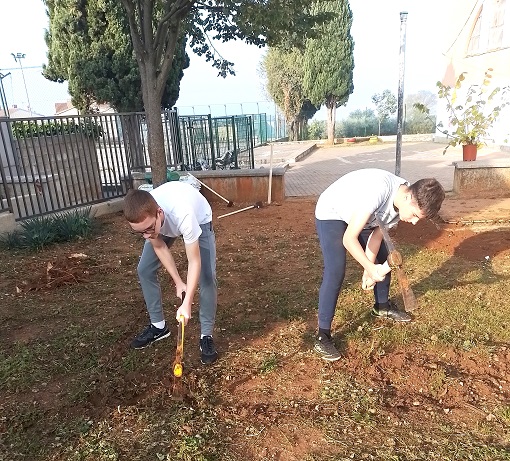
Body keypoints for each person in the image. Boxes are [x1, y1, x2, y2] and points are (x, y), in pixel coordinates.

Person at [314, 168, 445, 362]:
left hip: (365, 217)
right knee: (336, 269)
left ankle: (382, 306)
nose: (415, 222)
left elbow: (376, 235)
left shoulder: (400, 205)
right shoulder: (379, 191)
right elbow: (349, 239)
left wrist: (370, 271)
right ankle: (322, 334)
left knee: (384, 254)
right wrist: (369, 266)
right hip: (333, 211)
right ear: (409, 198)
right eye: (416, 215)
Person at [123, 181, 218, 364]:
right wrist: (178, 282)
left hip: (200, 218)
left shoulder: (184, 214)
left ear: (159, 212)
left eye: (149, 229)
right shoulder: (147, 222)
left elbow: (194, 261)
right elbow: (159, 246)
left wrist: (187, 302)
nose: (147, 236)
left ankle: (206, 336)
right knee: (144, 269)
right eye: (140, 232)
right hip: (166, 221)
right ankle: (159, 327)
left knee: (207, 276)